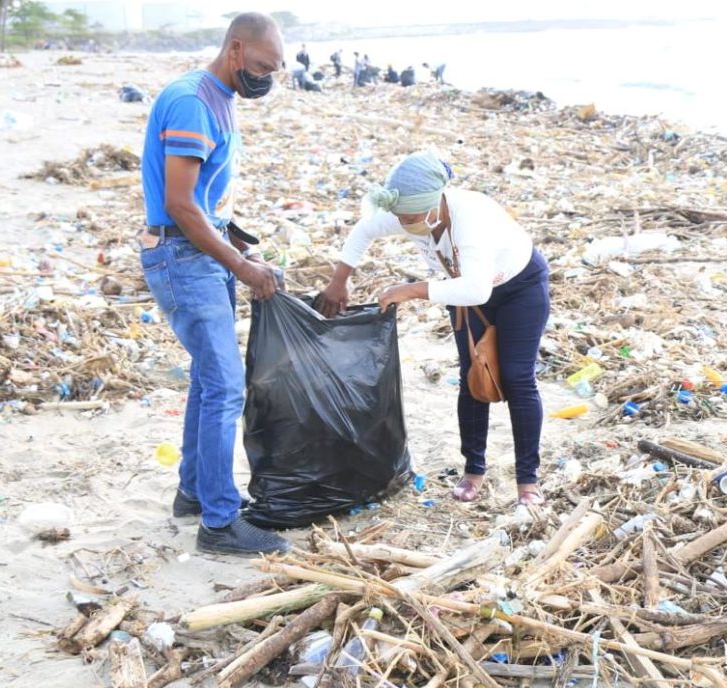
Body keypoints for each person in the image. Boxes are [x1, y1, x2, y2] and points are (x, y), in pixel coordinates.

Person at [315, 151, 551, 506]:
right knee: (472, 376)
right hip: (461, 287)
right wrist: (338, 281)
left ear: (432, 206)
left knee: (518, 377)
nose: (404, 224)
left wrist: (409, 291)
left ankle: (527, 482)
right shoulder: (409, 213)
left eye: (409, 218)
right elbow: (363, 231)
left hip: (520, 287)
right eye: (400, 217)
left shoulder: (469, 217)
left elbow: (478, 288)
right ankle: (473, 469)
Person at [139, 11, 290, 555]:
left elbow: (203, 199)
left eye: (275, 70)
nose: (266, 78)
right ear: (234, 51)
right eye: (261, 67)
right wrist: (240, 266)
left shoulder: (219, 98)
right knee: (226, 386)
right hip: (184, 258)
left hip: (201, 252)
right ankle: (220, 525)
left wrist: (239, 245)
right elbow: (180, 205)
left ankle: (195, 493)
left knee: (209, 381)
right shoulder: (193, 104)